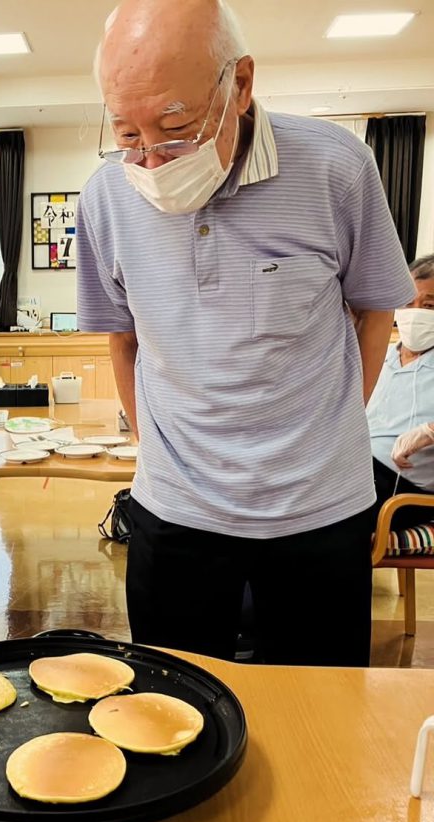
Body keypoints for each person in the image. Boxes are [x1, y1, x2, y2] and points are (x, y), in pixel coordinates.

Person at [78, 0, 415, 666]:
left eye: (176, 129)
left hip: (320, 511)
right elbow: (123, 339)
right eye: (128, 134)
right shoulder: (106, 197)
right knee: (174, 697)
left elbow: (376, 313)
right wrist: (158, 452)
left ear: (240, 83)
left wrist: (329, 432)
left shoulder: (338, 169)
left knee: (318, 705)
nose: (151, 161)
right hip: (174, 512)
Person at [368, 254, 434, 531]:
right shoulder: (381, 355)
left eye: (429, 306)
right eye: (407, 303)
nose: (415, 313)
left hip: (402, 491)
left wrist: (429, 431)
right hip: (354, 467)